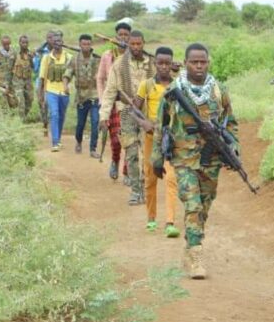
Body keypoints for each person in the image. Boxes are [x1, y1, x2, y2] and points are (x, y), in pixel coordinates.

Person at [152, 43, 238, 279]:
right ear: (186, 62)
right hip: (183, 159)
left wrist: (233, 148)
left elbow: (230, 123)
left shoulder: (219, 90)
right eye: (194, 62)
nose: (199, 66)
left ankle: (191, 245)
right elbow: (161, 126)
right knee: (193, 205)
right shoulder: (174, 91)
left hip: (211, 159)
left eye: (203, 62)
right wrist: (157, 159)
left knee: (205, 207)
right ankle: (197, 255)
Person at [99, 30, 154, 205]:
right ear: (128, 44)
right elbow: (109, 92)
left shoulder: (151, 64)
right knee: (131, 153)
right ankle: (135, 191)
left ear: (143, 43)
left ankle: (145, 189)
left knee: (148, 155)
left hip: (148, 115)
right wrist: (103, 116)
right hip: (127, 113)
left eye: (139, 44)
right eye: (133, 44)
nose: (136, 47)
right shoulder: (119, 65)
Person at [134, 46, 179, 238]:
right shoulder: (146, 85)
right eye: (160, 63)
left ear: (171, 64)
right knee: (150, 178)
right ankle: (151, 219)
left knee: (171, 178)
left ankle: (170, 222)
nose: (163, 67)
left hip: (170, 139)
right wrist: (143, 122)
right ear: (155, 63)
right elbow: (134, 110)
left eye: (167, 63)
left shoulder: (177, 86)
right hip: (151, 138)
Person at [96, 22, 131, 181]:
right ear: (115, 36)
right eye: (120, 34)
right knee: (116, 140)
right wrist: (103, 100)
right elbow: (100, 79)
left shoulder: (134, 56)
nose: (123, 37)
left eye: (126, 35)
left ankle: (127, 171)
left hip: (129, 104)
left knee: (129, 139)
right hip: (112, 103)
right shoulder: (107, 56)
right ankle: (115, 161)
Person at [63, 34, 100, 157]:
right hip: (81, 97)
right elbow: (67, 74)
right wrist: (65, 86)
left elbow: (104, 75)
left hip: (94, 94)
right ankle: (78, 141)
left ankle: (93, 149)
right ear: (79, 45)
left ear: (91, 45)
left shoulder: (96, 59)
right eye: (84, 44)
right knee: (80, 124)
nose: (86, 46)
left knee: (95, 122)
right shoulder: (74, 60)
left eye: (88, 44)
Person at [38, 33, 71, 152]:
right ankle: (55, 142)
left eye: (59, 41)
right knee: (54, 114)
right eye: (55, 41)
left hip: (65, 92)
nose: (57, 43)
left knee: (61, 116)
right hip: (51, 91)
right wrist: (40, 94)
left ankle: (58, 138)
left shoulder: (69, 57)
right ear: (51, 43)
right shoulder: (46, 58)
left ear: (62, 42)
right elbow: (42, 78)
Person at [34, 31, 56, 135]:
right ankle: (45, 124)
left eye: (52, 38)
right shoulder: (42, 51)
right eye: (48, 38)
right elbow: (35, 68)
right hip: (41, 80)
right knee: (42, 104)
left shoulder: (58, 51)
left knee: (50, 104)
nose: (50, 40)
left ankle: (52, 125)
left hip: (53, 81)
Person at [11, 35, 36, 119]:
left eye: (26, 42)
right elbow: (10, 68)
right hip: (18, 80)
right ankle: (22, 120)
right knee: (20, 101)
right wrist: (8, 84)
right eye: (23, 42)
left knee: (30, 100)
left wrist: (31, 59)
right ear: (19, 43)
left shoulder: (30, 54)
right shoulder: (15, 54)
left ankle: (24, 115)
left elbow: (33, 67)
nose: (25, 44)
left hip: (28, 81)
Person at [0, 35, 16, 109]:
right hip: (0, 81)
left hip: (10, 81)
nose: (6, 46)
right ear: (2, 44)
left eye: (8, 44)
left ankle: (12, 116)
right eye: (5, 44)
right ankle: (4, 117)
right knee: (3, 102)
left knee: (13, 102)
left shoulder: (13, 53)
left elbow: (15, 66)